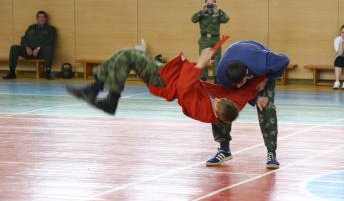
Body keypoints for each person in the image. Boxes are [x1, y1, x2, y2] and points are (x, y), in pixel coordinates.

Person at [66, 43, 267, 125]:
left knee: (127, 56)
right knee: (124, 55)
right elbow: (247, 91)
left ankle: (108, 98)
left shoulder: (201, 111)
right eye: (221, 99)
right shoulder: (232, 103)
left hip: (165, 83)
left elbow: (183, 89)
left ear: (215, 113)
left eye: (216, 103)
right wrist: (264, 79)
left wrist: (199, 65)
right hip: (170, 74)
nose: (218, 99)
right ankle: (99, 91)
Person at [205, 41, 290, 169]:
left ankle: (271, 153)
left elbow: (285, 60)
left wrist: (265, 79)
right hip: (238, 61)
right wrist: (254, 98)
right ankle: (224, 150)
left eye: (240, 82)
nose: (238, 87)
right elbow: (239, 91)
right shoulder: (223, 75)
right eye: (235, 84)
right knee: (221, 107)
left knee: (266, 107)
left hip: (263, 75)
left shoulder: (262, 62)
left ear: (247, 74)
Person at [3, 10, 56, 80]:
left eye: (43, 17)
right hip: (29, 52)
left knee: (49, 48)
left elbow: (50, 41)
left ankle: (47, 73)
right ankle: (12, 72)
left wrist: (38, 48)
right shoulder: (31, 27)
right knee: (14, 47)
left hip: (40, 53)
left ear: (46, 19)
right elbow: (24, 38)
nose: (42, 19)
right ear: (37, 19)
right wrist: (27, 47)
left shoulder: (51, 29)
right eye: (40, 17)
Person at [191, 0, 230, 82]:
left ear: (214, 3)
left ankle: (217, 79)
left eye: (211, 4)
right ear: (205, 3)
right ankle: (203, 79)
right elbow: (193, 20)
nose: (210, 6)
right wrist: (201, 10)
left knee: (217, 59)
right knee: (204, 59)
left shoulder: (217, 13)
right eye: (208, 4)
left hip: (215, 39)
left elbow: (226, 19)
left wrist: (219, 10)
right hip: (204, 39)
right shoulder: (202, 13)